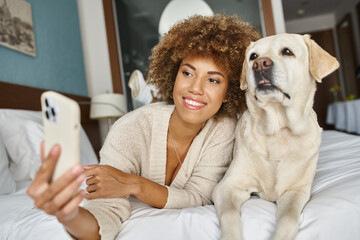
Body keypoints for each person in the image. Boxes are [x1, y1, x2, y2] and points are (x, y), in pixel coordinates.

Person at [27, 14, 261, 240]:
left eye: (213, 80)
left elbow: (200, 196)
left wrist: (134, 184)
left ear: (229, 92)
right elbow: (105, 211)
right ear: (174, 75)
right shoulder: (130, 129)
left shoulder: (225, 128)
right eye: (187, 72)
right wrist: (67, 215)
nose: (195, 88)